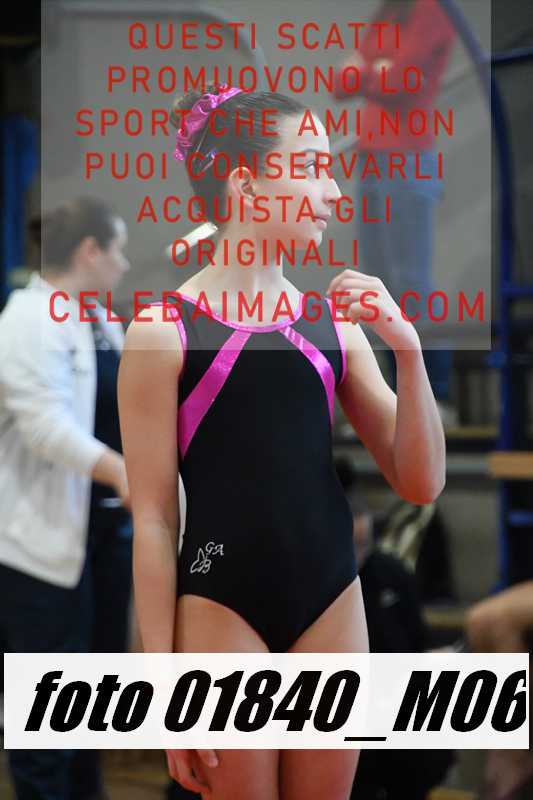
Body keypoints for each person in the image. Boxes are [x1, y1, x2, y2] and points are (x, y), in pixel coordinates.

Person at [118, 83, 446, 800]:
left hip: (331, 601)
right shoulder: (164, 331)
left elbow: (421, 482)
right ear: (245, 186)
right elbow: (153, 519)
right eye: (312, 168)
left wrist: (408, 348)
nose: (333, 192)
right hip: (220, 604)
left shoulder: (333, 326)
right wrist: (161, 685)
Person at [0, 196, 132, 800]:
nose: (125, 265)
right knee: (46, 716)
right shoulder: (27, 319)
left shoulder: (99, 320)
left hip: (104, 540)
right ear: (89, 251)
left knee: (92, 705)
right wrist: (121, 473)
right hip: (38, 549)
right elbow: (46, 427)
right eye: (118, 251)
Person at [334, 0, 458, 426]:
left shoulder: (431, 9)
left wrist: (366, 71)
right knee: (377, 285)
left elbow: (400, 81)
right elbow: (340, 82)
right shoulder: (389, 12)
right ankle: (396, 398)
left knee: (410, 284)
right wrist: (377, 72)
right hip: (373, 161)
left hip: (407, 160)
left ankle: (437, 397)